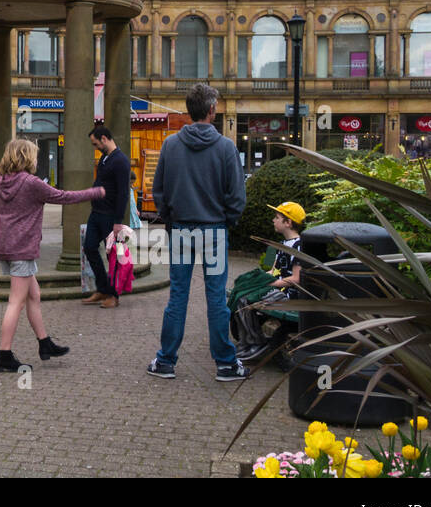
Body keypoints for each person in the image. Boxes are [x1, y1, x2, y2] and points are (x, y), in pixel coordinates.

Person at [148, 82, 249, 381]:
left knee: (178, 295)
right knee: (216, 297)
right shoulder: (226, 147)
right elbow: (237, 196)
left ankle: (166, 361)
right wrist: (227, 221)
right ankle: (226, 364)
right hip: (214, 232)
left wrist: (170, 218)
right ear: (211, 110)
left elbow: (159, 191)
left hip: (181, 230)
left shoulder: (170, 145)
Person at [0, 137, 104, 372]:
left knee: (34, 295)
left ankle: (45, 343)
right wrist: (94, 192)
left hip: (6, 247)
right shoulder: (31, 183)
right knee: (16, 302)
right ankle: (3, 355)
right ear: (26, 157)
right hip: (22, 249)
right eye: (33, 154)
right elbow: (64, 197)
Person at [231, 201, 306, 361]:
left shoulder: (299, 247)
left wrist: (269, 284)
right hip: (276, 289)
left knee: (246, 301)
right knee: (240, 295)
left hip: (288, 295)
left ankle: (256, 343)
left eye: (277, 217)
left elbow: (296, 278)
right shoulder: (281, 245)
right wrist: (257, 281)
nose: (273, 220)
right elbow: (272, 271)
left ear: (288, 222)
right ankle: (247, 342)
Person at [82, 124, 131, 309]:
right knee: (89, 248)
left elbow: (123, 193)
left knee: (115, 257)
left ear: (104, 139)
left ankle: (113, 295)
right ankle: (102, 288)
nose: (95, 148)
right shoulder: (105, 158)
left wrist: (118, 222)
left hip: (111, 217)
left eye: (95, 144)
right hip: (97, 213)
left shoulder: (120, 161)